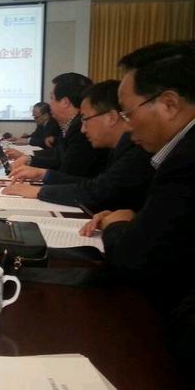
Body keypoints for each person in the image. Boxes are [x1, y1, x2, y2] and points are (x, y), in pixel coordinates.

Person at [77, 42, 195, 372]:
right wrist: (135, 219)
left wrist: (117, 224)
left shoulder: (186, 161)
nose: (127, 127)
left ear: (169, 104)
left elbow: (134, 258)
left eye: (128, 113)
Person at [3, 80, 154, 213]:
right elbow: (95, 185)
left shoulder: (136, 150)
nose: (83, 129)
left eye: (86, 119)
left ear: (112, 117)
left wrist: (39, 191)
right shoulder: (120, 148)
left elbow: (95, 191)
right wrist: (42, 174)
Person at [9, 73, 108, 177]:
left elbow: (67, 173)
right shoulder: (69, 125)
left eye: (52, 98)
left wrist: (41, 174)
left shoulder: (80, 128)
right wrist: (29, 159)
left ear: (65, 102)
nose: (49, 104)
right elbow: (58, 157)